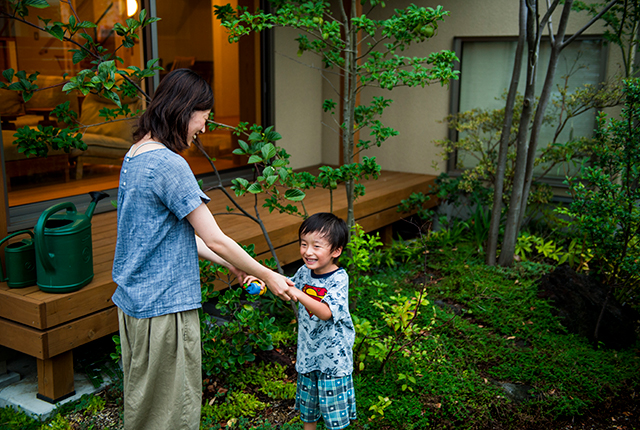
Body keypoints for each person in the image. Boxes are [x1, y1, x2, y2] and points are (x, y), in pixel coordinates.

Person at [111, 68, 294, 430]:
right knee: (169, 414)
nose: (203, 129)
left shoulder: (136, 155)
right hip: (165, 308)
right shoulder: (169, 164)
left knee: (145, 405)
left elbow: (167, 236)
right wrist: (268, 274)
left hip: (136, 302)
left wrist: (232, 265)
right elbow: (216, 238)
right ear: (183, 110)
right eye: (203, 118)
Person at [245, 212, 357, 430]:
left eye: (317, 246)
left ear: (336, 251)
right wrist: (263, 280)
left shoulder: (339, 278)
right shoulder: (304, 272)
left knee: (335, 416)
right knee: (308, 410)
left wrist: (297, 293)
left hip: (333, 360)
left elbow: (326, 312)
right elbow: (286, 286)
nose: (307, 252)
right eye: (303, 244)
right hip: (308, 355)